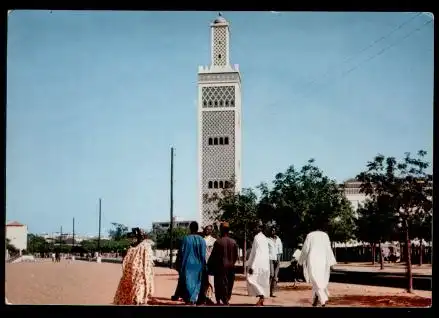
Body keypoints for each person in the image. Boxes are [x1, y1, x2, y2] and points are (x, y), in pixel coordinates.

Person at [113, 228, 155, 305]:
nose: (134, 238)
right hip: (132, 275)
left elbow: (147, 264)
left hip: (140, 275)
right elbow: (127, 262)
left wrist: (146, 276)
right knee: (131, 294)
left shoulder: (145, 246)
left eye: (136, 236)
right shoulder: (132, 248)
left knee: (137, 295)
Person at [298, 225, 336, 307]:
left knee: (316, 281)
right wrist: (331, 263)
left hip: (313, 261)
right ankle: (316, 300)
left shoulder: (310, 235)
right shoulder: (325, 235)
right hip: (323, 261)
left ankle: (323, 300)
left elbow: (305, 249)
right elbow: (329, 249)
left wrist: (300, 261)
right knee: (319, 281)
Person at [173, 221, 207, 305]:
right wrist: (204, 265)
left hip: (187, 265)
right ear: (197, 228)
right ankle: (193, 298)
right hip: (198, 265)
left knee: (188, 282)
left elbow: (181, 252)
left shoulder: (186, 239)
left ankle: (189, 298)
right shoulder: (202, 240)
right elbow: (203, 254)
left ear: (190, 228)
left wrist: (179, 263)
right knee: (197, 282)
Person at [207, 222, 238, 305]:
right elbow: (236, 256)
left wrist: (210, 266)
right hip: (231, 267)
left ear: (221, 230)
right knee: (229, 284)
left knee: (219, 284)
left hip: (220, 268)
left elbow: (213, 256)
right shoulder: (233, 242)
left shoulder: (218, 242)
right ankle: (226, 299)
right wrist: (231, 263)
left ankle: (219, 300)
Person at [246, 221, 270, 306]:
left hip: (258, 264)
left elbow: (257, 253)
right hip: (264, 264)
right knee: (260, 281)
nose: (254, 229)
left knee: (251, 279)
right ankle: (261, 298)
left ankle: (261, 296)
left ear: (259, 228)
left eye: (256, 227)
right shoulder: (264, 238)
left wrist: (252, 265)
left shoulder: (257, 237)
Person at [203, 225, 216, 305]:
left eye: (209, 229)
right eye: (206, 229)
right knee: (204, 281)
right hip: (203, 263)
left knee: (211, 281)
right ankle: (204, 297)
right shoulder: (202, 240)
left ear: (211, 231)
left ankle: (211, 297)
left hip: (211, 264)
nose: (208, 230)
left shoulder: (214, 241)